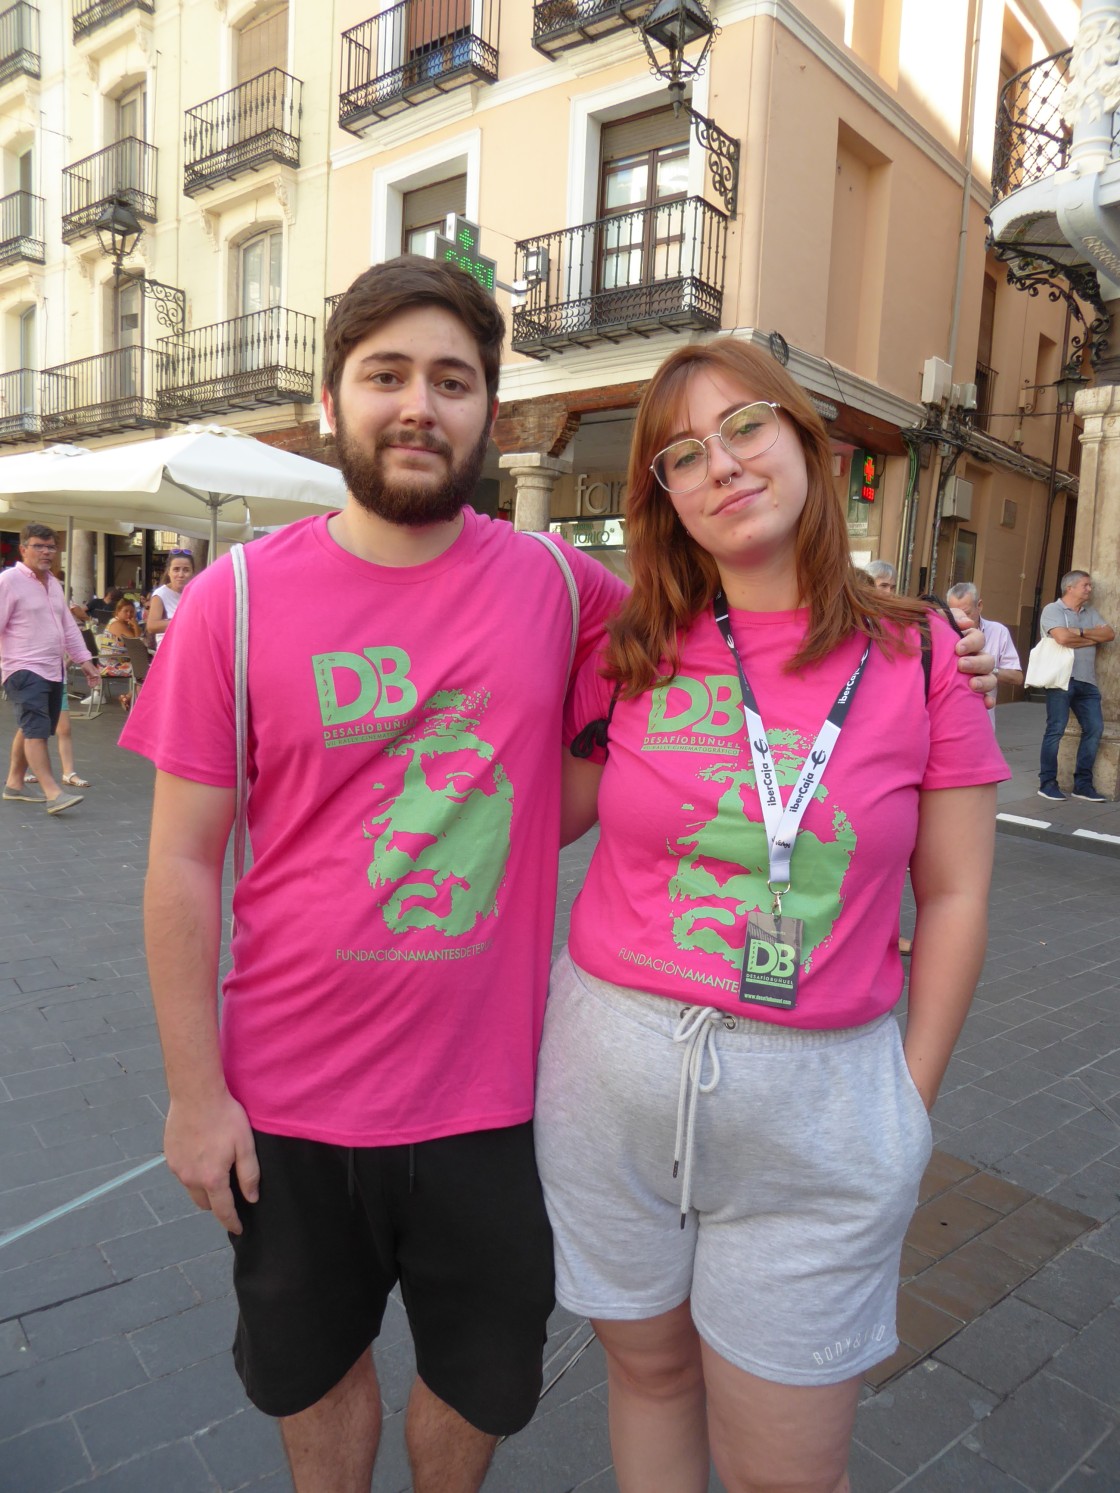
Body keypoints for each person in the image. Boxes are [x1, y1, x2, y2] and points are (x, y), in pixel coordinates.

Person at [119, 256, 626, 1493]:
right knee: (312, 1374)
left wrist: (912, 647)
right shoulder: (232, 604)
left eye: (451, 380)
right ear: (333, 400)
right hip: (288, 1103)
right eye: (385, 375)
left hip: (498, 1102)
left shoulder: (565, 588)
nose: (419, 405)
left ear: (489, 415)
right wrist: (196, 1096)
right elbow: (183, 864)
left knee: (480, 1379)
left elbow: (717, 662)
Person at [536, 338, 1009, 1493]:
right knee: (646, 1376)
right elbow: (538, 823)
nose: (721, 466)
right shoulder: (632, 649)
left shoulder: (920, 653)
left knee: (788, 1472)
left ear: (808, 439)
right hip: (609, 1084)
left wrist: (908, 1096)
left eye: (745, 427)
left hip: (823, 1114)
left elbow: (953, 893)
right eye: (681, 456)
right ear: (665, 501)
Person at [0, 524, 99, 814]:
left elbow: (69, 628)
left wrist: (86, 661)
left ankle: (14, 783)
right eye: (39, 546)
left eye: (51, 547)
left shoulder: (53, 584)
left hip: (53, 669)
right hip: (23, 667)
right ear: (23, 549)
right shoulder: (8, 581)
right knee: (36, 730)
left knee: (32, 725)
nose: (46, 552)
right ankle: (52, 792)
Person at [1037, 569, 1114, 803]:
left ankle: (1082, 785)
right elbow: (1062, 638)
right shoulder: (1053, 610)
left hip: (1087, 681)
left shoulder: (1090, 612)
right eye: (1085, 585)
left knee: (1095, 729)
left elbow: (1109, 634)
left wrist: (1079, 632)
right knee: (1055, 730)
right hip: (1062, 680)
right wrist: (1092, 637)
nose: (1090, 589)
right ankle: (1047, 783)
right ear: (1069, 588)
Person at [946, 582, 1022, 689]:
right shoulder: (943, 633)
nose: (960, 619)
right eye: (953, 614)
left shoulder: (998, 631)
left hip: (984, 704)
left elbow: (1017, 677)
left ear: (979, 606)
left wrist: (986, 668)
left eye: (966, 613)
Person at [146, 550, 194, 646]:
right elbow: (151, 626)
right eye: (176, 569)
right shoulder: (161, 594)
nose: (181, 575)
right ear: (169, 572)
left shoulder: (198, 593)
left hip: (193, 648)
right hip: (169, 651)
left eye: (186, 570)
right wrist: (186, 622)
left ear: (193, 572)